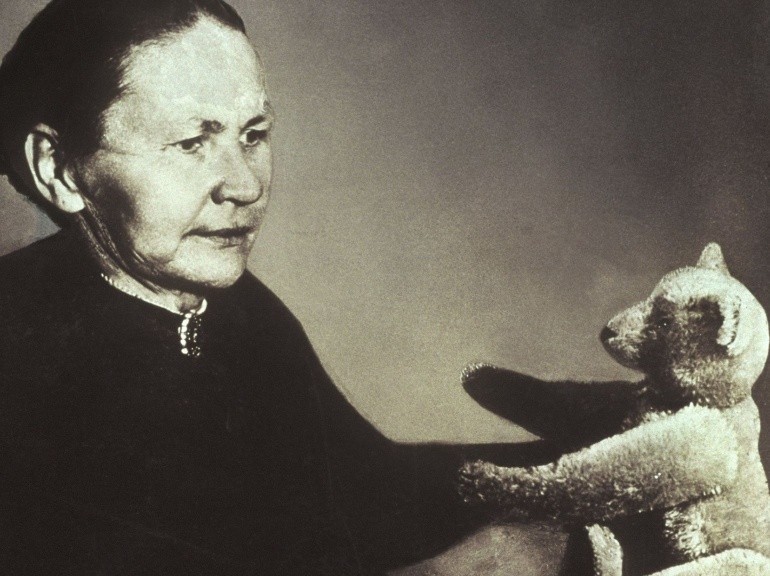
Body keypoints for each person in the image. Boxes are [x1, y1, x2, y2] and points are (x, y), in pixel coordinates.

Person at [0, 1, 537, 574]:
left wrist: (579, 461)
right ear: (57, 167)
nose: (246, 185)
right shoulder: (21, 365)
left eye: (253, 135)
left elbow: (373, 488)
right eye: (192, 143)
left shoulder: (238, 311)